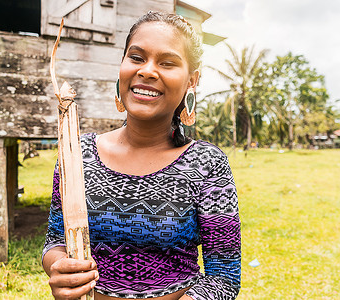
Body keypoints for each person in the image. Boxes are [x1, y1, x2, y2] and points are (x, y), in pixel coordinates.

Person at [42, 12, 241, 300]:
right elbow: (56, 240)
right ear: (122, 66)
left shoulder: (206, 163)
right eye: (136, 57)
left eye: (167, 63)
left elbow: (223, 277)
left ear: (191, 81)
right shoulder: (77, 153)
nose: (147, 70)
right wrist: (59, 266)